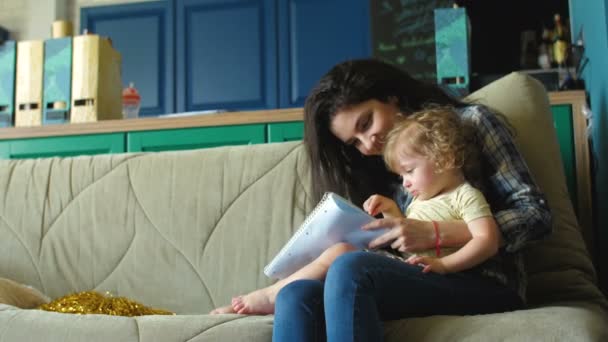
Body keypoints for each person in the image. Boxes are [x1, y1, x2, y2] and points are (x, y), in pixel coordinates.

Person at [272, 59, 551, 341]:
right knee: (296, 294)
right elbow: (400, 252)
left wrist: (436, 234)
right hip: (419, 276)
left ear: (391, 97)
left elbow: (535, 215)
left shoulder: (470, 124)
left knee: (350, 269)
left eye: (366, 123)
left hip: (486, 281)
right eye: (354, 142)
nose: (367, 144)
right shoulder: (377, 167)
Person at [210, 106, 499, 316]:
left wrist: (445, 265)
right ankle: (283, 291)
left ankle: (271, 293)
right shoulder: (421, 199)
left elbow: (487, 240)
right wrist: (393, 216)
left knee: (344, 254)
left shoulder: (465, 196)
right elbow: (409, 242)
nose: (405, 182)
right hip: (416, 272)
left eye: (409, 171)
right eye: (401, 176)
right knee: (305, 288)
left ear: (444, 158)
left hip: (446, 278)